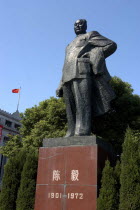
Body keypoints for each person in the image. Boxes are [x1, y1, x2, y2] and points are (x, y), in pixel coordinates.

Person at [56, 19, 117, 137]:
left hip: (82, 72)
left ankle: (82, 130)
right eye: (75, 24)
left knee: (82, 103)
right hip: (67, 75)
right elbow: (65, 64)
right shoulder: (69, 45)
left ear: (85, 26)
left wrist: (93, 54)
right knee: (70, 106)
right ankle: (71, 131)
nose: (77, 26)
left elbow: (111, 45)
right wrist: (60, 83)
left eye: (80, 24)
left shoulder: (90, 35)